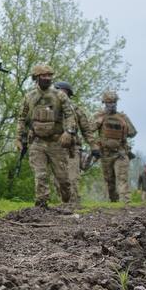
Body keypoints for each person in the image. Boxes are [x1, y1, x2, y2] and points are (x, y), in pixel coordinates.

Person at [17, 65, 76, 208]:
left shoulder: (60, 95)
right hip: (37, 142)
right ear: (37, 78)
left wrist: (68, 132)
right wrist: (19, 137)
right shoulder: (29, 97)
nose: (47, 78)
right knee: (40, 175)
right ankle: (41, 204)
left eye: (50, 75)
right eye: (44, 76)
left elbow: (70, 115)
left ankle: (66, 202)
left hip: (57, 142)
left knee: (63, 179)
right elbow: (22, 118)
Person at [91, 89, 138, 202]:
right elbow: (88, 131)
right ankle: (114, 202)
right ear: (104, 103)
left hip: (120, 153)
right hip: (106, 154)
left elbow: (133, 132)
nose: (112, 105)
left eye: (113, 102)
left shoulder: (122, 117)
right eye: (109, 102)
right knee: (109, 181)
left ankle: (125, 202)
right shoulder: (99, 116)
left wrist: (123, 128)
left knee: (122, 178)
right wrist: (94, 146)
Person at [54, 80, 93, 208]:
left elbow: (86, 130)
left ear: (68, 93)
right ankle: (64, 204)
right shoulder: (50, 108)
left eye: (62, 91)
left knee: (72, 177)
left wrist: (94, 145)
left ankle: (74, 205)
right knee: (58, 180)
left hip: (72, 148)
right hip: (55, 148)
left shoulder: (76, 110)